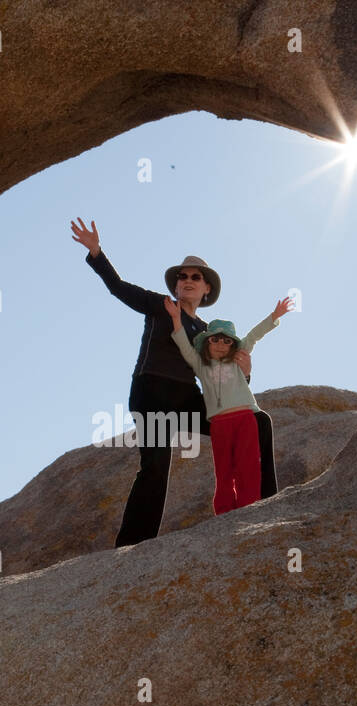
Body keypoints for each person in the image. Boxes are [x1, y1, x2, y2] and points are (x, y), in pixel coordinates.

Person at [71, 217, 278, 547]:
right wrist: (96, 252)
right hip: (152, 392)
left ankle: (266, 503)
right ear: (175, 285)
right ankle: (132, 548)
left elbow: (221, 380)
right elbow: (120, 288)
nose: (188, 281)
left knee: (256, 421)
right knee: (154, 467)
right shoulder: (160, 305)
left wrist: (247, 371)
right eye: (183, 277)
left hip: (187, 399)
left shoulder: (211, 333)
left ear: (207, 288)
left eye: (196, 277)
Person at [166, 297, 294, 514]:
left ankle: (251, 508)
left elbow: (254, 335)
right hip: (219, 423)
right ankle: (224, 512)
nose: (221, 344)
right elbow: (185, 348)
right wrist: (176, 319)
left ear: (234, 345)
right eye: (215, 339)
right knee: (224, 470)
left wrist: (274, 316)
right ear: (207, 342)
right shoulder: (201, 364)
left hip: (245, 419)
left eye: (227, 341)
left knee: (248, 466)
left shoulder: (237, 359)